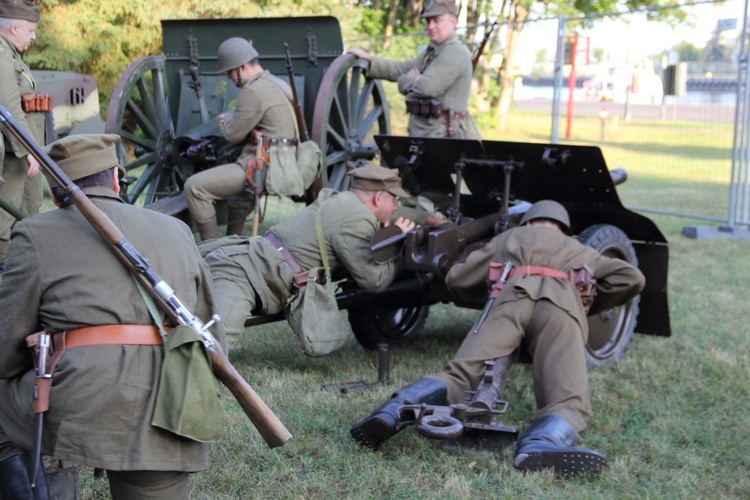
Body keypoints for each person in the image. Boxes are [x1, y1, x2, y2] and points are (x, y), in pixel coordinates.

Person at [350, 200, 646, 477]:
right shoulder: (578, 248)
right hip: (562, 307)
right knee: (568, 399)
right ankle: (539, 443)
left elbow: (458, 278)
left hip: (510, 301)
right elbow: (632, 278)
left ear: (529, 223)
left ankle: (395, 410)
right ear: (564, 229)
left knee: (461, 375)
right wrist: (585, 304)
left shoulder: (510, 237)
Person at [0, 134, 225, 498]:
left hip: (82, 397)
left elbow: (6, 342)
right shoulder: (177, 230)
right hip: (172, 398)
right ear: (117, 180)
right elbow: (208, 325)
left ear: (55, 194)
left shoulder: (34, 233)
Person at [203, 163, 417, 350]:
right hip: (243, 274)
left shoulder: (337, 199)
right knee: (211, 346)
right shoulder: (357, 219)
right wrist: (395, 245)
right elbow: (374, 281)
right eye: (394, 199)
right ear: (379, 197)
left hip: (249, 261)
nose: (396, 206)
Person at [184, 37, 298, 241]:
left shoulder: (253, 90)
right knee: (238, 194)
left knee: (194, 187)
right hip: (281, 162)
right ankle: (232, 244)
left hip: (262, 166)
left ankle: (211, 249)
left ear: (242, 67)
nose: (229, 78)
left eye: (230, 72)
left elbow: (233, 135)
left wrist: (226, 120)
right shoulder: (277, 83)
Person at [348, 0, 480, 140]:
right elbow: (400, 69)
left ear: (453, 22)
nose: (431, 26)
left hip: (445, 138)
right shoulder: (432, 53)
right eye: (428, 21)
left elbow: (427, 87)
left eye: (437, 21)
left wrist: (406, 81)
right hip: (425, 134)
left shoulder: (455, 51)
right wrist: (369, 59)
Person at [0, 0, 46, 273]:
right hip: (12, 152)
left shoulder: (11, 54)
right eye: (29, 30)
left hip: (19, 148)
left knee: (26, 212)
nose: (33, 36)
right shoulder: (2, 57)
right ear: (13, 27)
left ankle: (20, 267)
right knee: (6, 217)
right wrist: (30, 149)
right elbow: (9, 108)